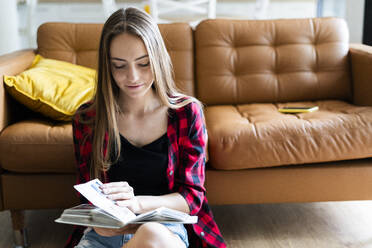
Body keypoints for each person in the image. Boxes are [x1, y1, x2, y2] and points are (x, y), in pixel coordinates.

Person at [65, 7, 226, 248]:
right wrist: (98, 219)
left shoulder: (185, 113)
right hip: (105, 235)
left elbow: (192, 198)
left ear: (158, 59)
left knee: (152, 236)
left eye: (143, 64)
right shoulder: (88, 119)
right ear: (107, 66)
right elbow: (87, 193)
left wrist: (137, 204)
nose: (133, 77)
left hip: (164, 230)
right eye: (119, 66)